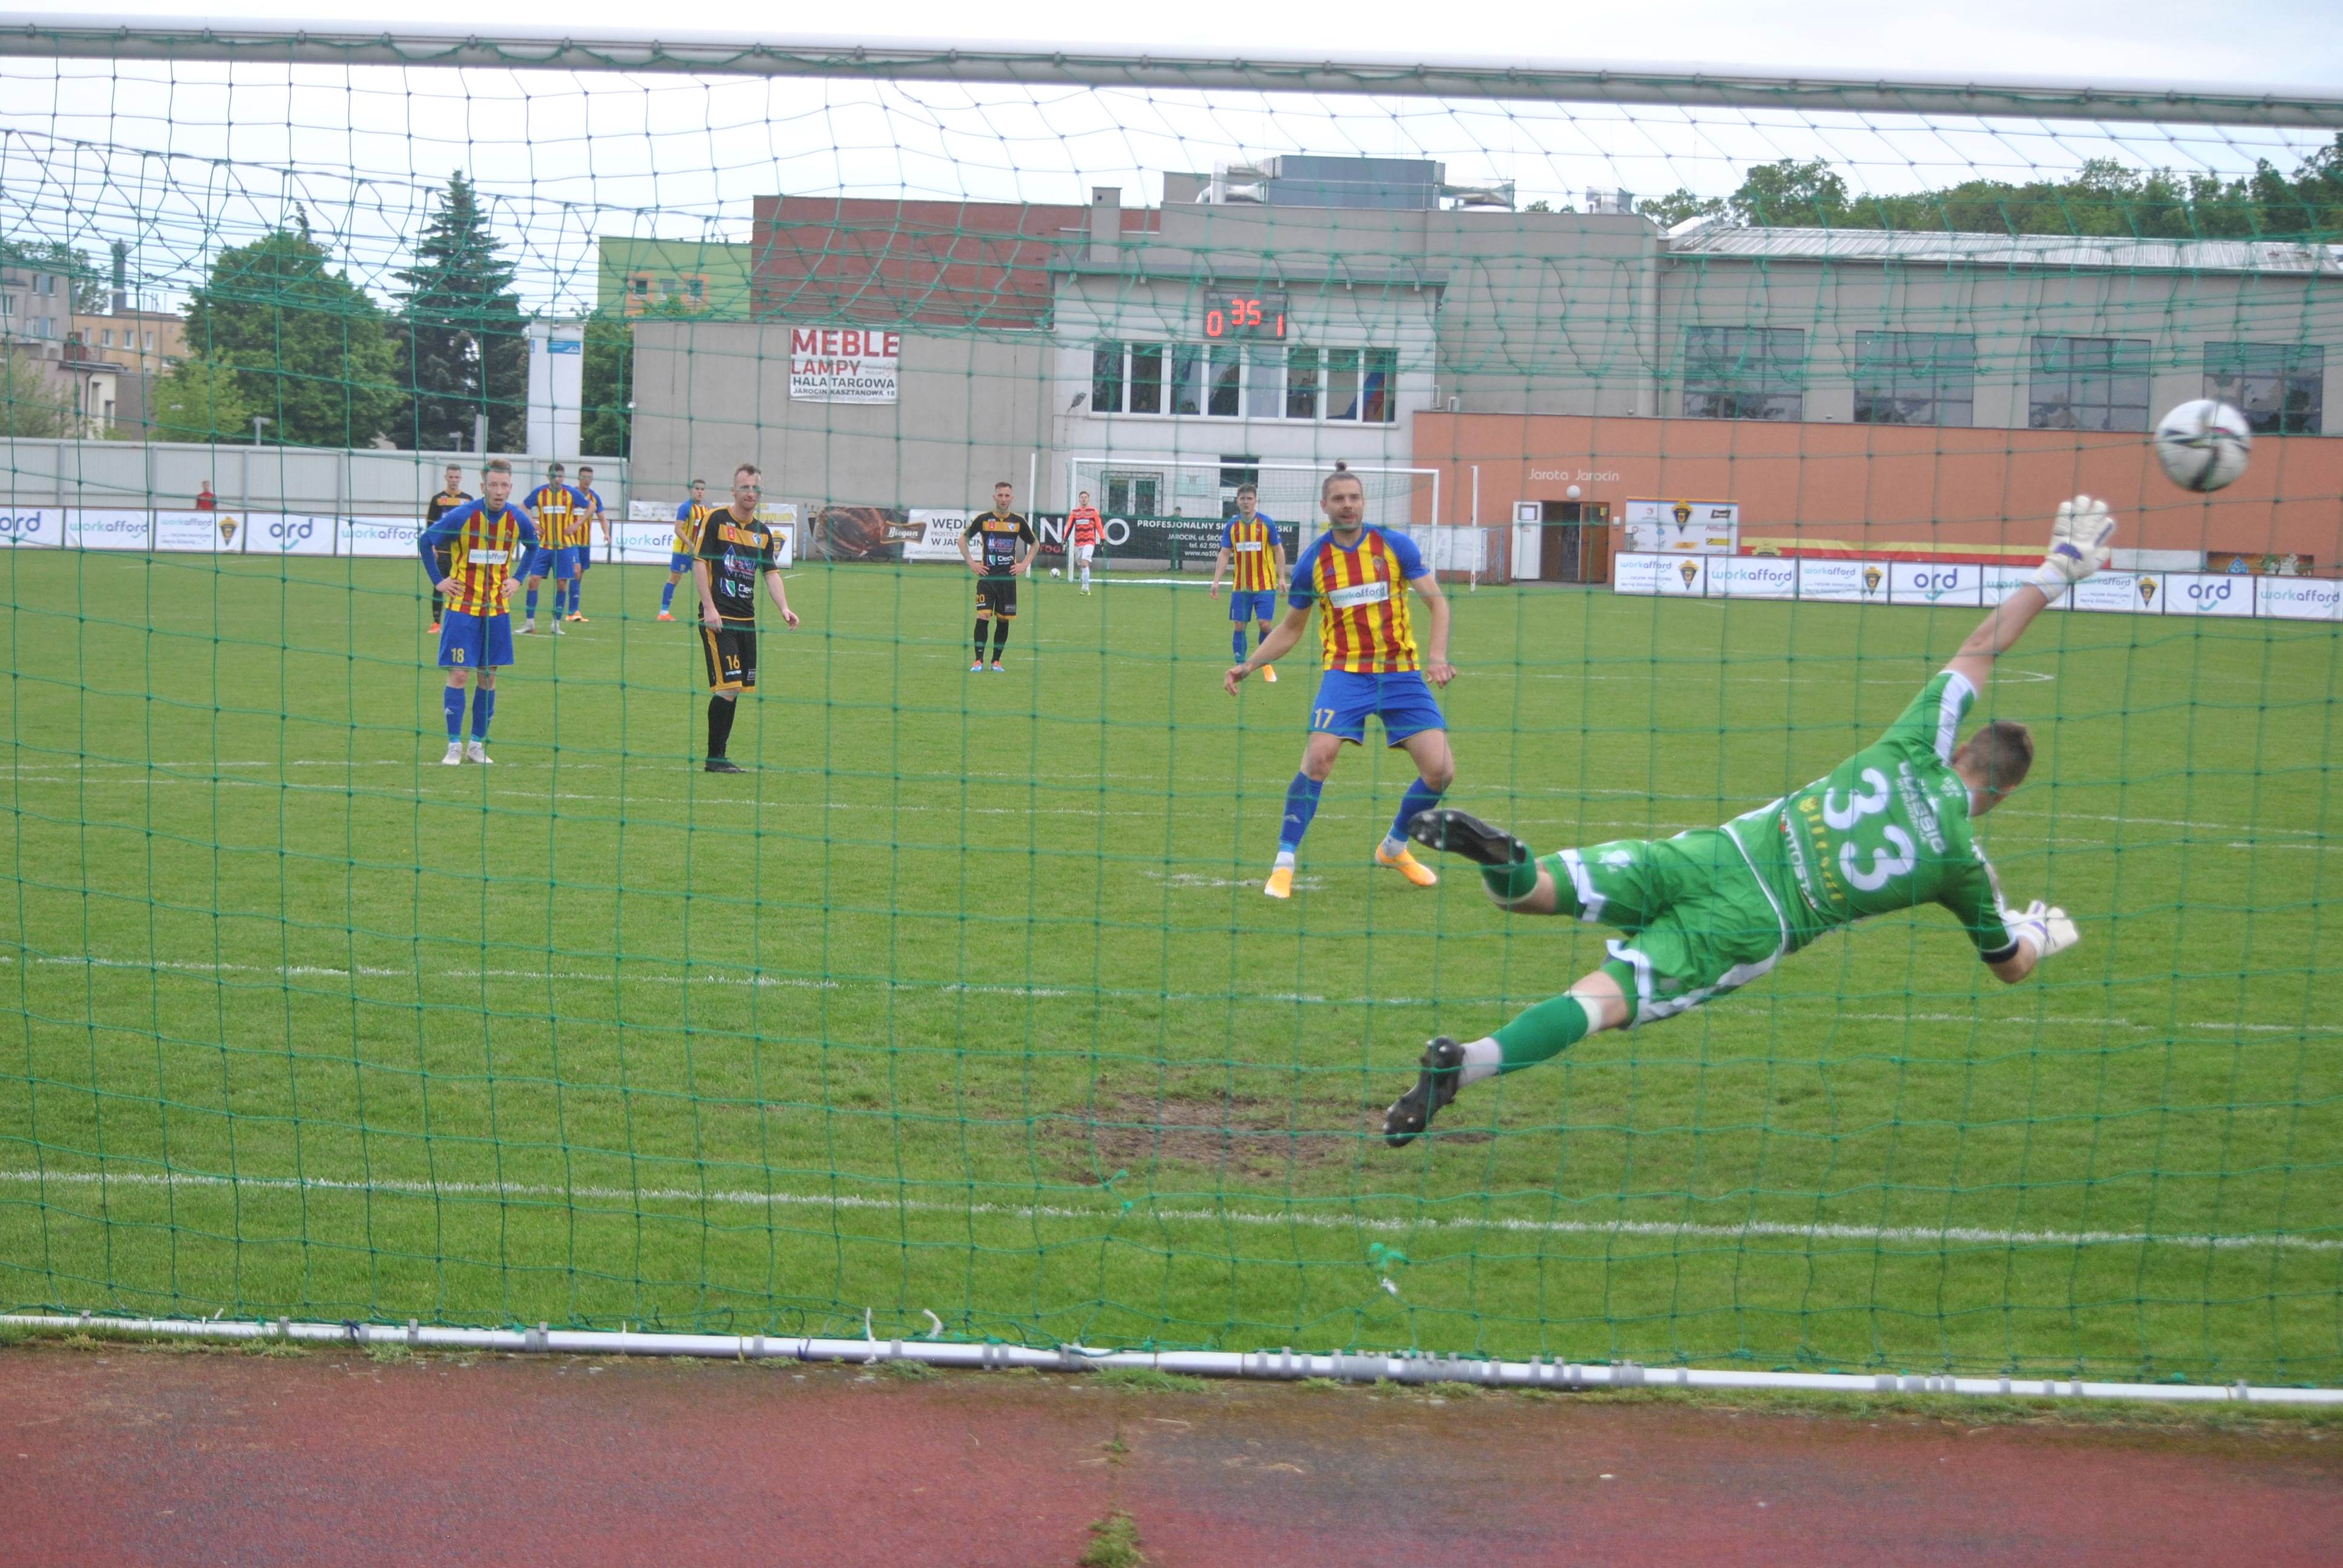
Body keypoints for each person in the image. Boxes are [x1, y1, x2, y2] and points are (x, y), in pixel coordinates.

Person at [1381, 495, 2116, 1148]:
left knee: (1527, 889)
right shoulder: (1960, 863)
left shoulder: (1914, 744)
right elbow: (2008, 968)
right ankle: (1467, 1062)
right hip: (1751, 921)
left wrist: (2054, 570)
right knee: (1598, 1001)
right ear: (2003, 795)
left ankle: (1499, 856)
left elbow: (1982, 645)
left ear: (1961, 749)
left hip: (1716, 851)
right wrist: (2034, 936)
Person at [1224, 463, 1455, 900]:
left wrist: (1438, 657)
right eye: (1339, 499)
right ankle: (1284, 863)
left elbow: (1438, 604)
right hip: (1346, 674)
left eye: (1354, 498)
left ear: (1363, 502)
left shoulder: (1393, 545)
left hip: (1401, 674)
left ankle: (1393, 847)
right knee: (1319, 759)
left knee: (1441, 771)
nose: (1348, 506)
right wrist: (1249, 665)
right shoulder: (1315, 561)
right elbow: (1292, 628)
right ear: (1324, 506)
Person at [416, 457, 539, 766]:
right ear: (483, 487)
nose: (499, 491)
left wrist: (517, 578)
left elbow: (534, 548)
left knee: (488, 677)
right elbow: (426, 540)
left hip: (497, 610)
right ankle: (454, 745)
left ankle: (477, 745)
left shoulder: (516, 519)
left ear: (511, 487)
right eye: (493, 485)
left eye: (504, 485)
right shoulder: (462, 516)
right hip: (462, 609)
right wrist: (439, 581)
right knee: (459, 675)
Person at [692, 463, 799, 773]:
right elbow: (700, 563)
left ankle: (719, 757)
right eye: (745, 487)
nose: (750, 493)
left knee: (736, 687)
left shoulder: (762, 533)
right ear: (734, 491)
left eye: (755, 488)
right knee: (728, 687)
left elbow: (771, 573)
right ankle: (715, 759)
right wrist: (709, 607)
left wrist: (784, 608)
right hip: (719, 618)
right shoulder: (715, 520)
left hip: (746, 620)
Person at [1210, 482, 1285, 685]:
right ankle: (1240, 665)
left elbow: (1278, 550)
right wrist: (1216, 581)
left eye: (1249, 498)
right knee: (1240, 625)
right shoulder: (1232, 526)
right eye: (1242, 499)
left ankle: (1265, 661)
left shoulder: (1266, 524)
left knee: (1265, 624)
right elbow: (1225, 553)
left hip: (1265, 586)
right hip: (1241, 587)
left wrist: (1282, 578)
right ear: (1237, 501)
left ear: (1255, 500)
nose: (1246, 502)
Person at [958, 480, 1034, 672]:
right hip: (987, 579)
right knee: (983, 616)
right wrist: (972, 563)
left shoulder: (1017, 522)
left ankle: (996, 661)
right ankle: (978, 661)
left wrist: (1024, 565)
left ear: (1012, 498)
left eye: (1007, 495)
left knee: (1003, 619)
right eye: (1000, 495)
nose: (1003, 499)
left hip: (1008, 581)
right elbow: (962, 540)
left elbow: (1035, 544)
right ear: (994, 497)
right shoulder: (983, 519)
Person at [519, 462, 580, 635]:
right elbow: (523, 506)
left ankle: (556, 624)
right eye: (555, 476)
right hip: (544, 546)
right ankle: (530, 623)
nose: (558, 479)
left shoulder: (570, 493)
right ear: (548, 477)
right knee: (533, 581)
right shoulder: (540, 493)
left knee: (562, 584)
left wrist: (577, 524)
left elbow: (591, 507)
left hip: (564, 547)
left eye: (561, 476)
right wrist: (534, 524)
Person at [422, 462, 471, 633]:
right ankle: (436, 623)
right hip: (442, 550)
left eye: (457, 477)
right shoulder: (438, 499)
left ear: (461, 478)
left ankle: (459, 622)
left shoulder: (467, 500)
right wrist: (432, 545)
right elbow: (430, 524)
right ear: (446, 477)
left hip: (461, 551)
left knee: (461, 587)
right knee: (440, 585)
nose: (454, 480)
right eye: (451, 477)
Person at [660, 479, 712, 620]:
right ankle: (664, 613)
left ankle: (709, 610)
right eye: (697, 489)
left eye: (702, 489)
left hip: (698, 552)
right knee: (675, 579)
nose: (700, 492)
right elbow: (678, 529)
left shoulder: (705, 509)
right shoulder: (685, 507)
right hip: (683, 551)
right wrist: (690, 544)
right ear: (691, 490)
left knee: (708, 580)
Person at [1066, 489, 1103, 593]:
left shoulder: (1093, 512)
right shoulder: (1075, 512)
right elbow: (1069, 526)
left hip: (1089, 542)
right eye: (1082, 497)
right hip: (1078, 543)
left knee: (1085, 563)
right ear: (1079, 499)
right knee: (1082, 566)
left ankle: (1085, 588)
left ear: (1088, 499)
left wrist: (1103, 539)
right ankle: (1085, 585)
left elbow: (1099, 526)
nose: (1084, 499)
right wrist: (1065, 539)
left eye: (1085, 497)